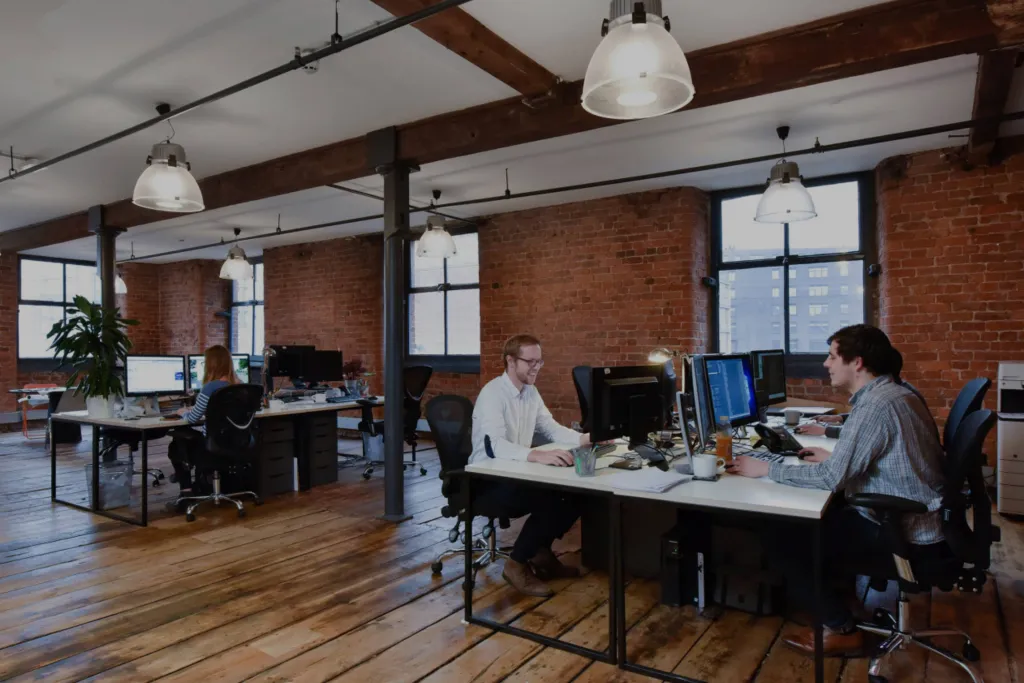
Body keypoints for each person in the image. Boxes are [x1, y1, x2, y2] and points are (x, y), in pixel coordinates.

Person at [727, 325, 946, 656]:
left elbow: (830, 478)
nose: (826, 364)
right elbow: (866, 457)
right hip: (912, 519)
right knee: (820, 518)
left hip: (901, 532)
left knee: (781, 535)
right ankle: (842, 600)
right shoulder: (890, 393)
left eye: (831, 356)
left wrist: (766, 468)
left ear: (856, 362)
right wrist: (839, 458)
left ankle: (840, 627)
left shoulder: (876, 404)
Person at [471, 334, 593, 597]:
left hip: (516, 473)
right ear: (511, 361)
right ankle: (516, 565)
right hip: (487, 480)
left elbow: (550, 428)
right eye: (530, 362)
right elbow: (494, 446)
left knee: (578, 492)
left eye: (540, 362)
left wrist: (585, 439)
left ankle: (540, 552)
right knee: (553, 497)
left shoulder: (530, 392)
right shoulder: (493, 393)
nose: (536, 367)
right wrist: (534, 455)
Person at [167, 345, 241, 496]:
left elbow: (193, 419)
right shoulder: (240, 386)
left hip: (212, 446)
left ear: (210, 365)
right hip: (238, 443)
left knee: (176, 444)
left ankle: (186, 492)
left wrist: (183, 413)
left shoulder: (210, 388)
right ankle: (203, 483)